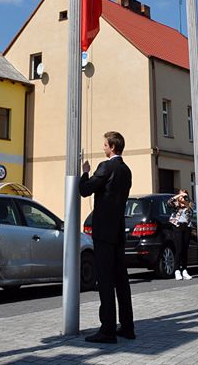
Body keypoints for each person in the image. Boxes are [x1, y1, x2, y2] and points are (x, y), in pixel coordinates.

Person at [79, 131, 135, 344]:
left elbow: (85, 190)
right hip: (119, 230)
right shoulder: (126, 170)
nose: (103, 147)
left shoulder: (106, 167)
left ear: (112, 147)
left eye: (104, 144)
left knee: (105, 280)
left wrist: (85, 172)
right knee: (121, 280)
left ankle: (108, 329)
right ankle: (127, 326)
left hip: (104, 232)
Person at [167, 189, 193, 281]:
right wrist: (178, 196)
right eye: (181, 196)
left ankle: (185, 270)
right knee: (179, 248)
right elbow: (169, 202)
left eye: (184, 196)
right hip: (177, 227)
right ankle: (177, 270)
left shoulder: (188, 205)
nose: (183, 198)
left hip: (187, 227)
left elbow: (191, 213)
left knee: (185, 249)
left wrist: (186, 202)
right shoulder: (176, 205)